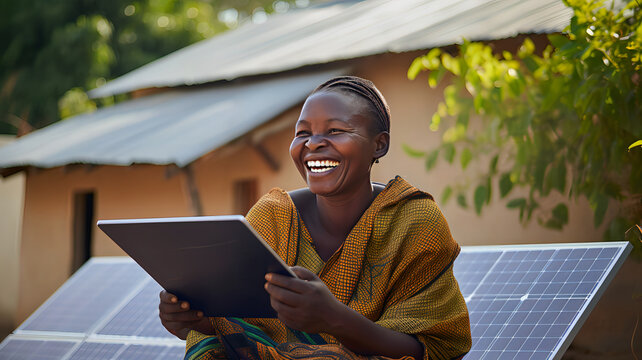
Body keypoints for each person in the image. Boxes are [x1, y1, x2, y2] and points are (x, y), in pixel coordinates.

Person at [159, 76, 472, 359]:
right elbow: (238, 327)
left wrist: (333, 318)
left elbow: (437, 349)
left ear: (380, 144)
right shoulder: (272, 217)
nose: (313, 143)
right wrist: (200, 321)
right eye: (303, 133)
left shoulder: (414, 222)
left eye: (334, 130)